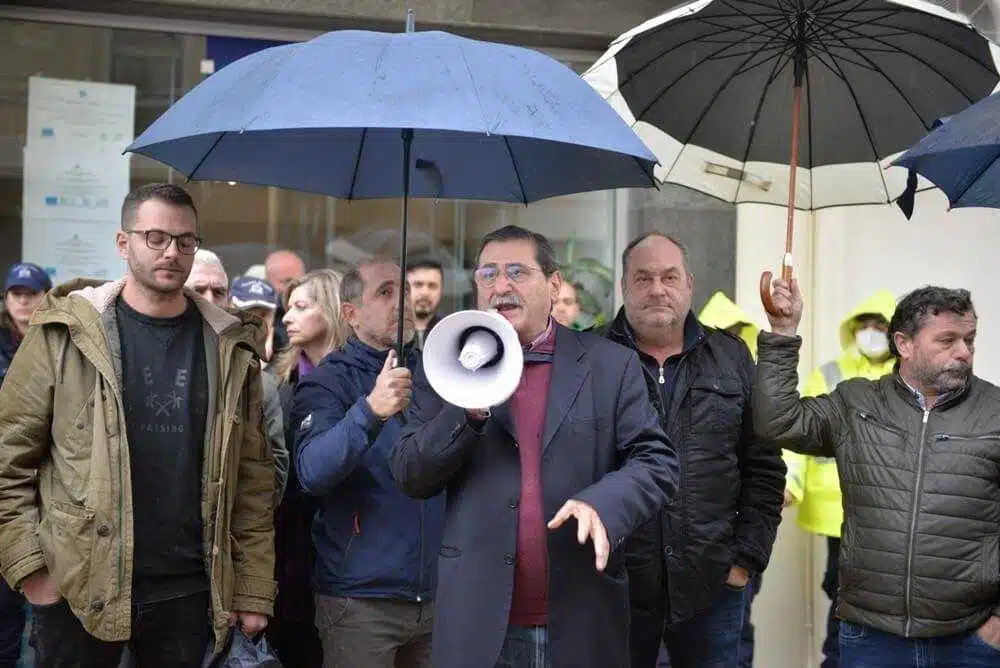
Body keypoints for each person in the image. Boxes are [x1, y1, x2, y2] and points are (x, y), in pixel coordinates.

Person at [0, 183, 276, 668]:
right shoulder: (64, 333)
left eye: (185, 241)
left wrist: (252, 588)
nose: (172, 252)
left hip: (189, 592)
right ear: (123, 243)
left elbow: (252, 479)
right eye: (156, 237)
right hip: (79, 589)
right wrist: (33, 572)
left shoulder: (228, 346)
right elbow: (9, 459)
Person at [391, 225, 679, 668]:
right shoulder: (444, 366)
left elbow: (656, 462)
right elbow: (411, 474)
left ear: (555, 284)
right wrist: (466, 409)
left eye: (516, 272)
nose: (500, 286)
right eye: (488, 274)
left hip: (580, 615)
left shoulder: (609, 364)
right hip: (478, 623)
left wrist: (604, 503)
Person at [757, 280, 1000, 667]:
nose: (964, 352)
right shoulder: (856, 402)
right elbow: (778, 422)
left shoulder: (994, 412)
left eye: (969, 339)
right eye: (947, 340)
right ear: (904, 344)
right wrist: (783, 334)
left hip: (969, 640)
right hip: (871, 639)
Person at [600, 233, 784, 668]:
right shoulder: (592, 356)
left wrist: (744, 560)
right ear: (624, 286)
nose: (657, 289)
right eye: (642, 278)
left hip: (711, 585)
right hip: (613, 586)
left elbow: (763, 467)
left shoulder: (731, 356)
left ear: (689, 284)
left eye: (669, 277)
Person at [292, 259, 443, 668]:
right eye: (385, 293)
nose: (402, 302)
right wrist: (370, 411)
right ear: (351, 313)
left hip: (437, 596)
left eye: (404, 291)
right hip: (359, 600)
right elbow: (311, 472)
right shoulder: (327, 382)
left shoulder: (437, 373)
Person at [782, 289, 896, 668]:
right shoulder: (831, 372)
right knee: (841, 589)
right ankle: (837, 660)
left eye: (880, 325)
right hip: (836, 510)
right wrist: (791, 483)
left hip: (890, 510)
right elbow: (799, 433)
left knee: (884, 595)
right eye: (865, 324)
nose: (871, 332)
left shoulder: (905, 377)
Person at [266, 269, 350, 668]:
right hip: (286, 546)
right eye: (288, 308)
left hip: (344, 543)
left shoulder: (360, 381)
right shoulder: (278, 382)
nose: (287, 317)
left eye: (301, 307)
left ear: (332, 311)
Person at [697, 289, 765, 668]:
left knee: (737, 637)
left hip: (732, 546)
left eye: (738, 335)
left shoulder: (748, 376)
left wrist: (745, 557)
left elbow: (765, 460)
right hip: (686, 549)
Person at [0, 262, 51, 668]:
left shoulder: (56, 342)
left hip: (45, 489)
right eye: (16, 294)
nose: (23, 301)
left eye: (31, 294)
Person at [229, 275, 290, 501]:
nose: (256, 323)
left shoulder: (289, 372)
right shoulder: (222, 367)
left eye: (264, 315)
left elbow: (277, 467)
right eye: (248, 313)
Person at [265, 249, 307, 353]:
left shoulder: (313, 310)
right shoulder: (263, 315)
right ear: (267, 282)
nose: (295, 287)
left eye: (300, 281)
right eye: (288, 282)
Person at [406, 258, 444, 350]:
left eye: (432, 286)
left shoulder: (451, 330)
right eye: (418, 285)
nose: (425, 293)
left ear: (441, 290)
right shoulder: (389, 333)